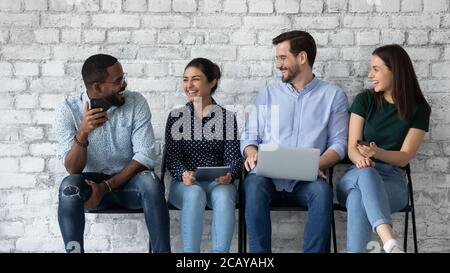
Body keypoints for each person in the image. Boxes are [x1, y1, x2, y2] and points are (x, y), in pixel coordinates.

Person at [241, 30, 349, 253]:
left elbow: (339, 144)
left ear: (302, 57)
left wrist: (314, 165)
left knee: (322, 193)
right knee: (252, 186)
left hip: (307, 180)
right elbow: (250, 137)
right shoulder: (268, 93)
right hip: (267, 179)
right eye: (277, 58)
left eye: (282, 58)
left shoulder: (333, 95)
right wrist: (252, 153)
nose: (278, 65)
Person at [54, 54, 170, 253]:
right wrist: (83, 133)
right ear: (97, 87)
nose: (124, 84)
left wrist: (106, 186)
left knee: (151, 182)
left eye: (123, 77)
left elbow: (144, 155)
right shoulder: (67, 110)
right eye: (118, 81)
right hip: (91, 191)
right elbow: (73, 169)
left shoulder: (136, 102)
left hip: (130, 186)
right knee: (68, 188)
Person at [336, 44, 431, 253]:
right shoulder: (365, 100)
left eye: (376, 69)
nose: (370, 74)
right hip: (356, 174)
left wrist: (377, 153)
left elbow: (404, 157)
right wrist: (361, 159)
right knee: (367, 174)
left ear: (395, 70)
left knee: (358, 198)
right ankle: (389, 242)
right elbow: (352, 147)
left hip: (393, 183)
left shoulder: (419, 109)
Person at [165, 58, 242, 253]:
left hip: (219, 183)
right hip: (185, 184)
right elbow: (172, 158)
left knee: (224, 197)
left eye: (195, 79)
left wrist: (230, 175)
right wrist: (183, 174)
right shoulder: (177, 118)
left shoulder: (226, 118)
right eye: (185, 80)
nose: (188, 85)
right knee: (195, 192)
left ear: (212, 82)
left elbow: (234, 158)